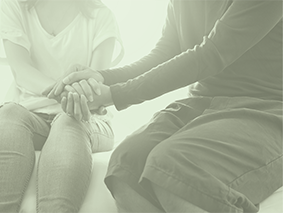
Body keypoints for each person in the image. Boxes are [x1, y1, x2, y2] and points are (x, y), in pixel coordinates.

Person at [47, 0, 283, 213]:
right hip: (203, 104)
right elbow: (164, 53)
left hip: (265, 110)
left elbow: (209, 55)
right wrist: (102, 78)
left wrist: (115, 95)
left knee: (173, 168)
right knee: (126, 166)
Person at [0, 0, 123, 212]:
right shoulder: (15, 6)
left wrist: (74, 97)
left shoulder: (101, 16)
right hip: (29, 114)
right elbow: (21, 71)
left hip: (84, 116)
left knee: (69, 122)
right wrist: (63, 91)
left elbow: (95, 89)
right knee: (8, 113)